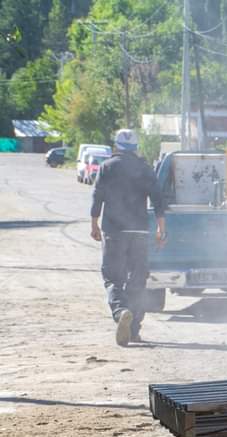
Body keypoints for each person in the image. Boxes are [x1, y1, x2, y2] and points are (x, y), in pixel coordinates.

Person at [90, 129, 165, 346]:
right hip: (140, 232)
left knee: (113, 277)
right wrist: (161, 230)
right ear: (136, 147)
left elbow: (97, 197)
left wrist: (94, 223)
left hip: (114, 231)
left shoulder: (107, 167)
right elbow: (158, 200)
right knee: (138, 279)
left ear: (116, 145)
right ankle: (133, 330)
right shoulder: (145, 168)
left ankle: (121, 311)